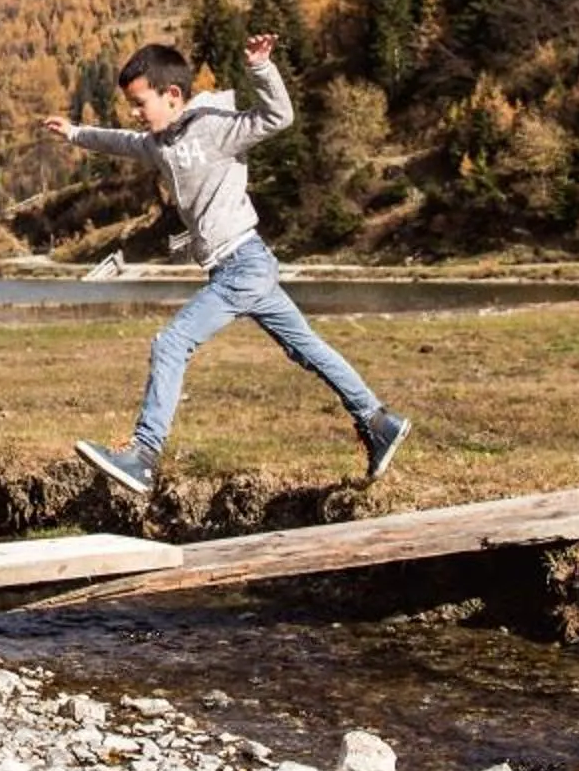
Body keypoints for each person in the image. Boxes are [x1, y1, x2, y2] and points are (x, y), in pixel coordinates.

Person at [41, 34, 410, 493]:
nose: (135, 113)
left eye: (140, 103)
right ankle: (378, 421)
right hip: (239, 267)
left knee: (171, 343)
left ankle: (144, 455)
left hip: (243, 262)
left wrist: (260, 69)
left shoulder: (215, 128)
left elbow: (279, 116)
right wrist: (75, 133)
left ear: (172, 94)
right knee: (306, 348)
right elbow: (120, 142)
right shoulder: (159, 143)